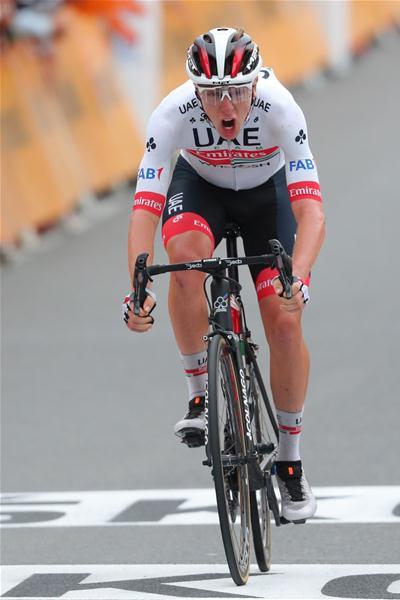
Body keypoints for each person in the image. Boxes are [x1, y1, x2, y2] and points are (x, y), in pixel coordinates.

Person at [122, 27, 325, 523]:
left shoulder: (281, 109)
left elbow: (311, 212)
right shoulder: (171, 114)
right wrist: (137, 288)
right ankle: (199, 394)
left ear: (254, 85)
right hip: (202, 189)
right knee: (185, 261)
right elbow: (145, 208)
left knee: (284, 320)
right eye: (213, 94)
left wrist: (298, 277)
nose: (226, 106)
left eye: (236, 91)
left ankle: (290, 460)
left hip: (267, 199)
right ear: (196, 91)